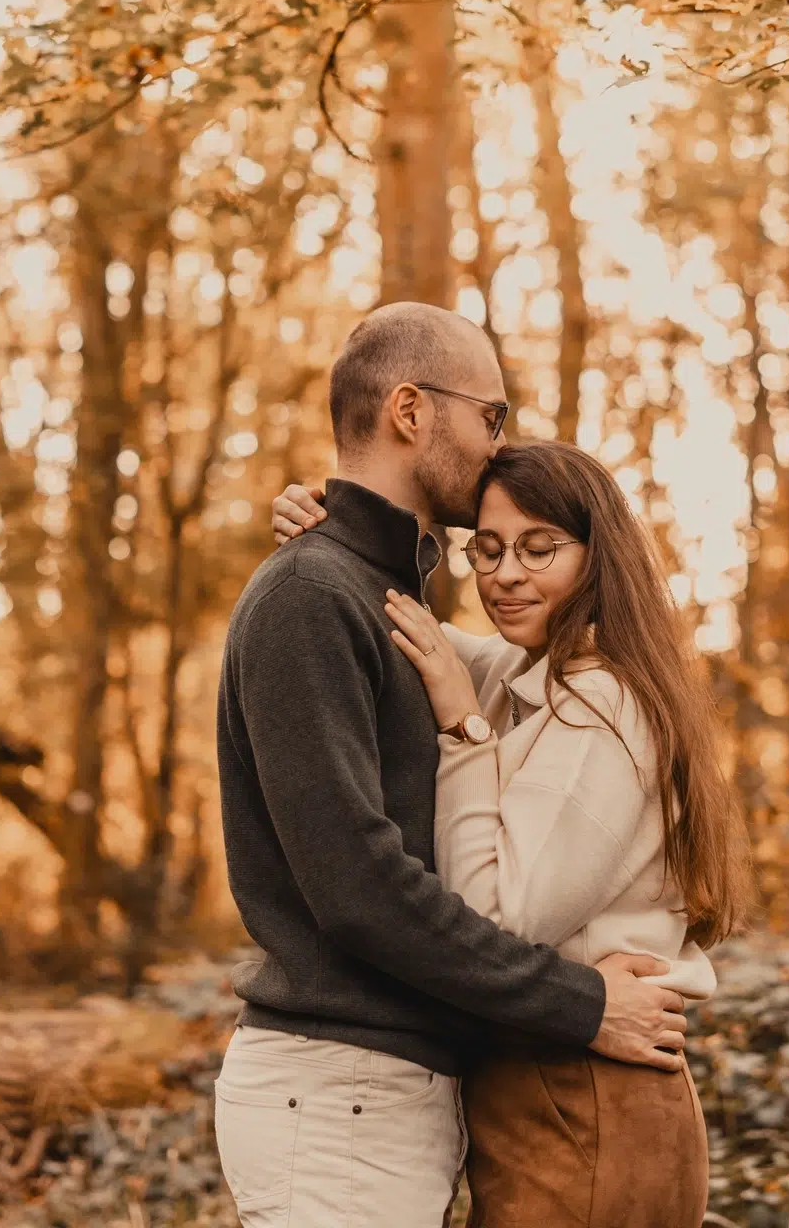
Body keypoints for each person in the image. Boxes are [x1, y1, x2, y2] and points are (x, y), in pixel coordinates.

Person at [215, 302, 688, 1228]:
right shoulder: (317, 594)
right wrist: (581, 1003)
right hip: (339, 1086)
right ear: (410, 411)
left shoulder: (378, 592)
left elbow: (504, 662)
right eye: (493, 414)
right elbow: (358, 886)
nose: (499, 440)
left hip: (385, 1086)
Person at [272, 436, 753, 1228]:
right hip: (553, 1090)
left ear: (599, 557)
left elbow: (500, 923)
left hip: (584, 1101)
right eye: (487, 549)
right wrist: (324, 532)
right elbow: (400, 625)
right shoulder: (530, 675)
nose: (505, 575)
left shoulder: (600, 705)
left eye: (539, 548)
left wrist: (464, 732)